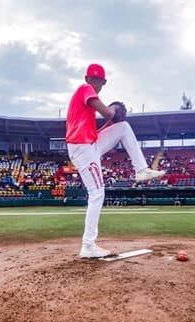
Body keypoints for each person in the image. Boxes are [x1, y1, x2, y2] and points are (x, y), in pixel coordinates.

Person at [66, 63, 165, 258]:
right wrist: (114, 110)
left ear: (103, 82)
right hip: (82, 148)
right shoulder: (84, 89)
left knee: (124, 127)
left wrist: (114, 119)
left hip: (91, 143)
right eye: (93, 79)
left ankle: (141, 169)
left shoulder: (87, 103)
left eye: (98, 81)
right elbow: (105, 112)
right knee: (97, 193)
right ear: (87, 80)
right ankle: (88, 245)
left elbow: (101, 128)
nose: (95, 83)